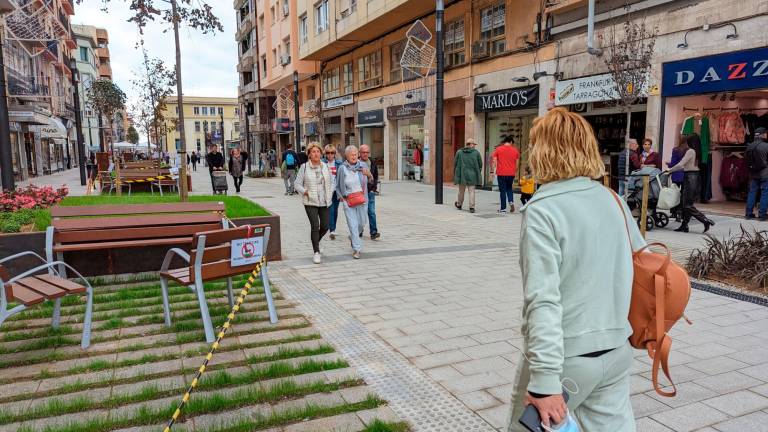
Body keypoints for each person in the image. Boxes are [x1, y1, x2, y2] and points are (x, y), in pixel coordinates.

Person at [508, 107, 644, 432]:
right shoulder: (613, 199)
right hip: (615, 350)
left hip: (565, 361)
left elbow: (543, 299)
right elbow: (641, 263)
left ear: (542, 151)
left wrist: (543, 381)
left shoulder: (543, 208)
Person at [665, 133, 715, 233]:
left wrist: (669, 171)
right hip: (695, 176)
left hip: (690, 177)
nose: (686, 142)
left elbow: (681, 164)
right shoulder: (697, 151)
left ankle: (705, 220)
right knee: (686, 203)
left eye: (688, 140)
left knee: (687, 204)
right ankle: (684, 225)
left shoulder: (690, 151)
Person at [294, 142, 333, 264]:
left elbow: (331, 181)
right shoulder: (304, 167)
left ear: (321, 154)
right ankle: (316, 252)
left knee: (326, 226)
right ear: (309, 155)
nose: (316, 154)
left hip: (324, 201)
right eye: (313, 152)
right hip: (310, 201)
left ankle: (317, 242)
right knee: (315, 226)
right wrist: (304, 191)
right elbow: (296, 184)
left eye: (318, 151)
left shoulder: (326, 166)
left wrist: (330, 193)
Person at [336, 145, 372, 259]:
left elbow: (371, 180)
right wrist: (341, 197)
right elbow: (338, 186)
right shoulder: (342, 168)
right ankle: (357, 249)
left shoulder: (363, 165)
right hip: (349, 201)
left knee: (362, 223)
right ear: (346, 156)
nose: (354, 156)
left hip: (362, 199)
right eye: (351, 154)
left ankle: (353, 237)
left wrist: (369, 175)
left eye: (356, 154)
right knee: (353, 225)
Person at [492, 136, 521, 213]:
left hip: (501, 173)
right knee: (509, 188)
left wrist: (493, 171)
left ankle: (503, 209)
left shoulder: (498, 149)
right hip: (511, 173)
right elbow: (517, 164)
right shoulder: (515, 151)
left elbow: (494, 161)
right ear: (511, 142)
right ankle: (511, 201)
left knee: (502, 191)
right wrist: (514, 171)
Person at [453, 138, 483, 213]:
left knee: (461, 191)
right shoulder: (476, 153)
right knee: (472, 191)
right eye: (474, 144)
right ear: (471, 144)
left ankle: (459, 204)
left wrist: (457, 172)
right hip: (472, 175)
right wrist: (477, 172)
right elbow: (480, 164)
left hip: (462, 175)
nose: (475, 146)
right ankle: (472, 207)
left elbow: (455, 163)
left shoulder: (459, 152)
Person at [746, 126, 768, 221]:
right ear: (762, 134)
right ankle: (762, 214)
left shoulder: (749, 146)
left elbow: (746, 160)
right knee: (765, 193)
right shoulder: (766, 146)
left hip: (754, 174)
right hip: (765, 174)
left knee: (752, 192)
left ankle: (748, 213)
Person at [359, 144, 380, 239]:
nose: (365, 154)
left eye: (367, 152)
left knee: (371, 212)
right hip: (359, 192)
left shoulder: (372, 162)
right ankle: (359, 230)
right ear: (360, 153)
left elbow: (375, 176)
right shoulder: (356, 162)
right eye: (363, 152)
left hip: (370, 191)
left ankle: (374, 232)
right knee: (360, 212)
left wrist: (373, 188)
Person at [323, 145, 343, 240]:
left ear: (335, 154)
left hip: (336, 190)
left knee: (335, 210)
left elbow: (343, 177)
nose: (330, 155)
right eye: (328, 153)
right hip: (327, 190)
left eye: (332, 153)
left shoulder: (339, 163)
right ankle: (332, 230)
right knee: (330, 210)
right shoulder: (322, 163)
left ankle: (333, 228)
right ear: (325, 154)